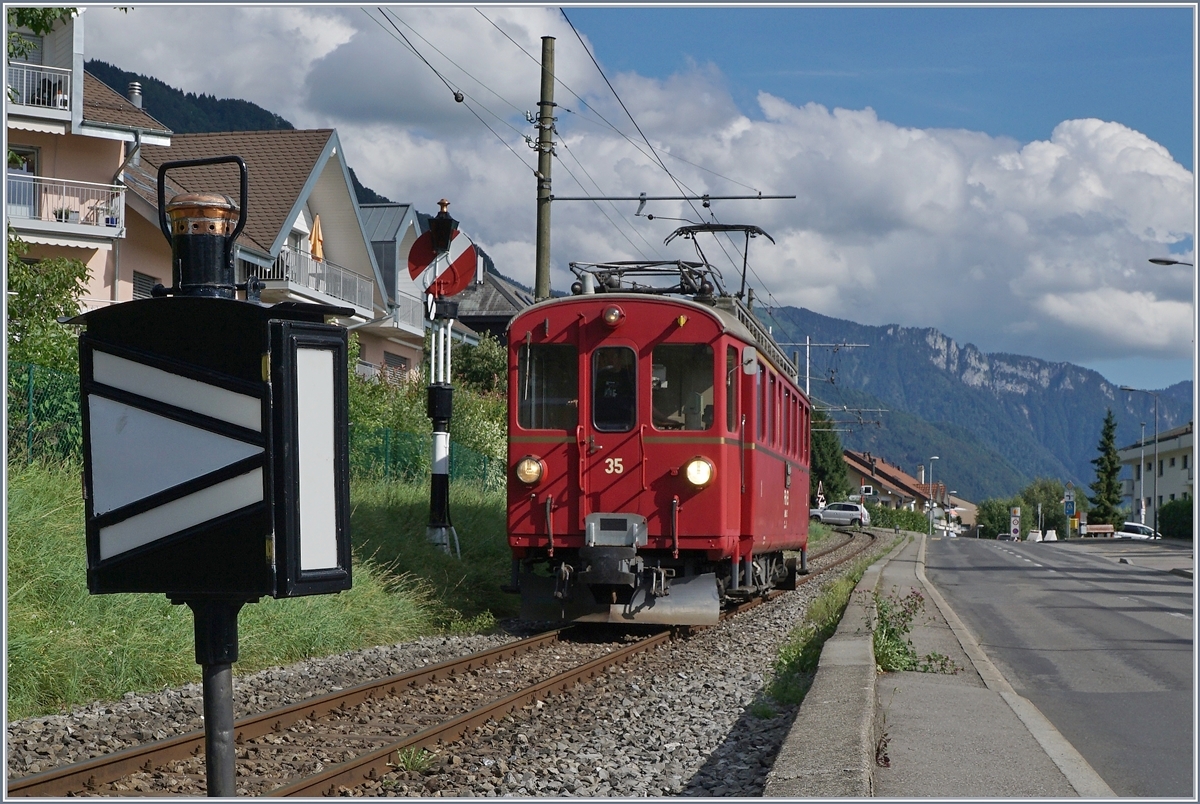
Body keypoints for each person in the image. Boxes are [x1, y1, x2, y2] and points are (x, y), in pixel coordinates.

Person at [593, 349, 635, 431]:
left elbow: (639, 399)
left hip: (623, 424)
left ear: (620, 358)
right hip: (598, 423)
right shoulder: (598, 376)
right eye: (607, 357)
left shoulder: (628, 377)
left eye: (613, 356)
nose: (610, 360)